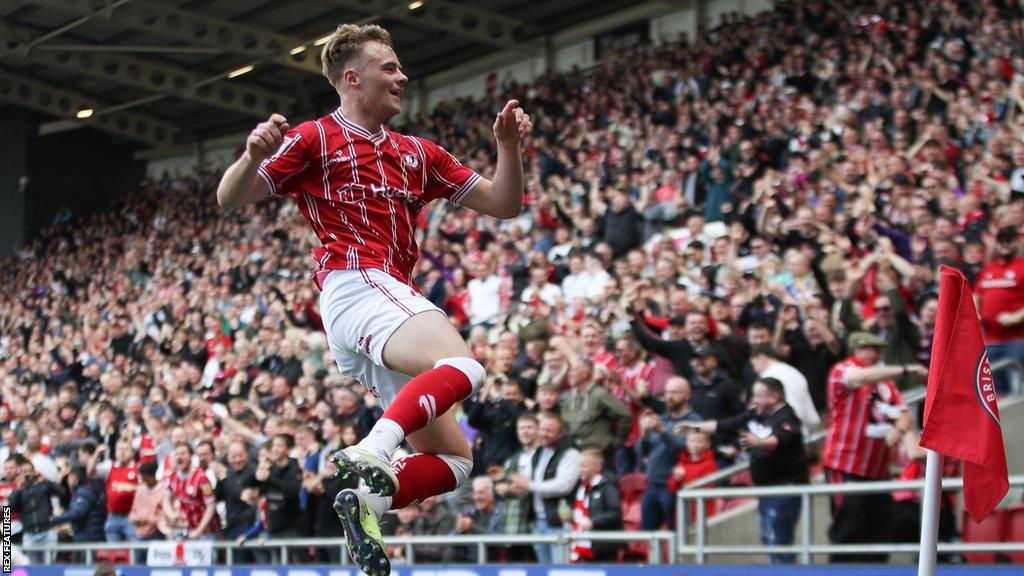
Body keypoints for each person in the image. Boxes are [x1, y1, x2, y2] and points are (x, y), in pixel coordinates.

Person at [216, 22, 532, 576]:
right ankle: (375, 448)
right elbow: (231, 197)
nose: (403, 76)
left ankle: (369, 501)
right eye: (390, 68)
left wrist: (507, 147)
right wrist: (249, 156)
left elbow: (505, 204)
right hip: (356, 279)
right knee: (463, 364)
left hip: (384, 300)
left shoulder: (420, 152)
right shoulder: (315, 137)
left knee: (456, 460)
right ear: (351, 77)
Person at [822, 333, 925, 563]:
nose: (878, 355)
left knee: (881, 531)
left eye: (880, 351)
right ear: (857, 350)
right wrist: (905, 370)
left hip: (877, 473)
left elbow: (905, 415)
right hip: (846, 466)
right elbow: (860, 377)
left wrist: (897, 431)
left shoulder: (886, 385)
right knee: (849, 527)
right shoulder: (842, 370)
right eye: (872, 350)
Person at [688, 377, 809, 564]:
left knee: (779, 541)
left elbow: (779, 439)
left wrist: (758, 442)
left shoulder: (786, 416)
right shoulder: (757, 413)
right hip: (766, 489)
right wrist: (694, 426)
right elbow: (725, 425)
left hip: (785, 489)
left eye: (759, 395)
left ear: (774, 397)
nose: (755, 400)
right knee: (767, 537)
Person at [508, 412, 580, 564]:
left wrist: (529, 486)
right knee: (544, 571)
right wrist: (521, 488)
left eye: (549, 431)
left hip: (559, 523)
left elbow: (563, 486)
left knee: (561, 572)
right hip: (537, 522)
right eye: (542, 429)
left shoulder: (571, 453)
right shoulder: (539, 453)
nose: (543, 434)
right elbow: (529, 481)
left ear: (560, 434)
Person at [637, 376, 700, 530]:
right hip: (652, 485)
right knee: (647, 535)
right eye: (666, 393)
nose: (669, 397)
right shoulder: (662, 418)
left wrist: (663, 432)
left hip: (673, 486)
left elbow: (684, 449)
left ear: (687, 395)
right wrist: (644, 435)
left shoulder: (694, 421)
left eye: (674, 392)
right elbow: (643, 452)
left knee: (676, 533)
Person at [975, 226, 1024, 395]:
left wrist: (1017, 316)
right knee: (996, 393)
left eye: (1009, 240)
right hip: (990, 341)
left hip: (1016, 339)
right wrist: (976, 313)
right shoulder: (989, 269)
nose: (1004, 244)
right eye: (1001, 240)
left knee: (1017, 391)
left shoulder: (1022, 266)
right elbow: (977, 295)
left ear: (1017, 242)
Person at [749, 345, 820, 436]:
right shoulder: (791, 370)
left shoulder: (768, 378)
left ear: (761, 358)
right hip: (809, 427)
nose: (754, 370)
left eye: (754, 365)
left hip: (791, 429)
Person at [568, 449, 622, 563]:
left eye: (584, 466)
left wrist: (594, 522)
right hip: (583, 544)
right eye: (579, 466)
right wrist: (571, 517)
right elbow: (582, 513)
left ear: (598, 467)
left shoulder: (608, 487)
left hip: (603, 548)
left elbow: (616, 513)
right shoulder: (581, 488)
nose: (580, 470)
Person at [9, 459, 64, 563]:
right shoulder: (19, 490)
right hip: (29, 533)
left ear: (34, 471)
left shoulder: (43, 485)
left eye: (29, 471)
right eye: (24, 472)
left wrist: (45, 481)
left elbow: (61, 492)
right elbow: (10, 508)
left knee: (49, 567)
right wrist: (18, 489)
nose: (27, 474)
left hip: (47, 531)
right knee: (32, 568)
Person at [164, 442, 220, 540]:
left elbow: (211, 506)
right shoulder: (172, 477)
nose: (179, 457)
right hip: (188, 530)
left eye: (182, 453)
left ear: (191, 456)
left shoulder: (202, 478)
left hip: (207, 531)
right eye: (176, 454)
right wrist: (171, 515)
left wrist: (199, 530)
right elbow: (165, 499)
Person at [90, 440, 138, 543]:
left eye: (126, 449)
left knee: (136, 551)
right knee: (114, 552)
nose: (122, 452)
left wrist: (130, 487)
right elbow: (90, 472)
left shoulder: (137, 468)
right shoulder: (109, 466)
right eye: (119, 449)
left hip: (131, 516)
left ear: (132, 452)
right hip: (113, 516)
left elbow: (145, 489)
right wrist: (97, 453)